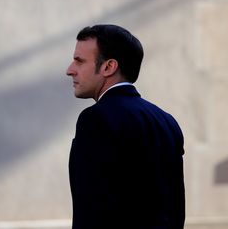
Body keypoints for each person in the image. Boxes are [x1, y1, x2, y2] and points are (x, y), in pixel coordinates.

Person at [66, 24, 185, 229]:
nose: (70, 70)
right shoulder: (166, 121)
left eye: (79, 61)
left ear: (108, 67)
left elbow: (91, 210)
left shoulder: (95, 119)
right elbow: (175, 209)